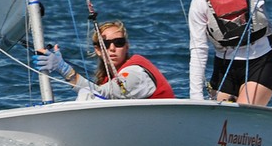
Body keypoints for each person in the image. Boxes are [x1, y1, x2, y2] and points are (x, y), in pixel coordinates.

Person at [35, 20, 175, 100]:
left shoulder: (135, 73)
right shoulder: (108, 78)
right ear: (98, 50)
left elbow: (100, 94)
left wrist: (63, 69)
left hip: (164, 130)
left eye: (118, 43)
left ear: (126, 46)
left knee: (86, 96)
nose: (112, 48)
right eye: (106, 44)